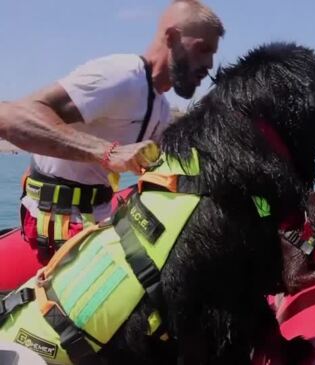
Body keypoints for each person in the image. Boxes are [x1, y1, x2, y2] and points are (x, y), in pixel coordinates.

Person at [0, 0, 224, 260]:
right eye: (202, 49)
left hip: (97, 217)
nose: (209, 64)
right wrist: (107, 153)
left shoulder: (161, 108)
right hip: (56, 223)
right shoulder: (120, 76)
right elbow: (9, 118)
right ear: (172, 38)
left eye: (213, 54)